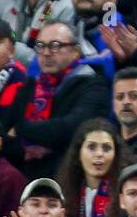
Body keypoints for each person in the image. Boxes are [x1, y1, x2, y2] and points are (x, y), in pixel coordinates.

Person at [18, 20, 110, 179]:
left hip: (69, 176)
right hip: (28, 174)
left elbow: (71, 128)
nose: (46, 53)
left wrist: (21, 129)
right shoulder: (29, 86)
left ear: (75, 51)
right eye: (40, 46)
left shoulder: (93, 85)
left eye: (55, 46)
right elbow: (3, 134)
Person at [55, 118, 130, 217]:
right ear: (78, 153)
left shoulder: (126, 194)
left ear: (116, 154)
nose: (99, 154)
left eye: (106, 148)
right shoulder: (66, 192)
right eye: (91, 147)